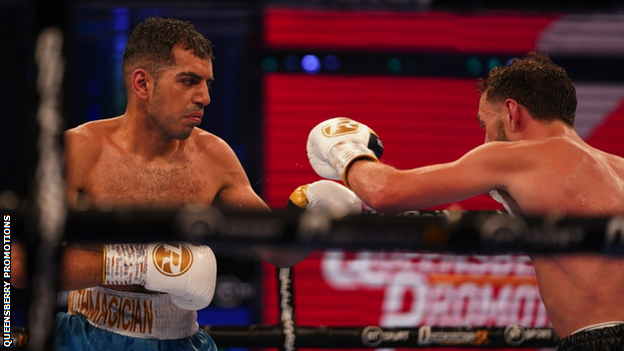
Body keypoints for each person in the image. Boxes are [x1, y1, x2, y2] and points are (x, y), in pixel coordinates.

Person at [10, 16, 348, 351]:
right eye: (188, 81)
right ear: (142, 84)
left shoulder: (214, 156)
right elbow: (20, 261)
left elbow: (278, 251)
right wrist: (138, 266)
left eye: (207, 83)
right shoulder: (80, 149)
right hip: (89, 336)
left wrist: (308, 208)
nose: (204, 97)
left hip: (183, 340)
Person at [306, 52, 624, 350]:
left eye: (484, 125)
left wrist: (344, 150)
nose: (484, 141)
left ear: (512, 112)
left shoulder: (520, 157)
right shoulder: (616, 167)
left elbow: (387, 192)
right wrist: (362, 211)